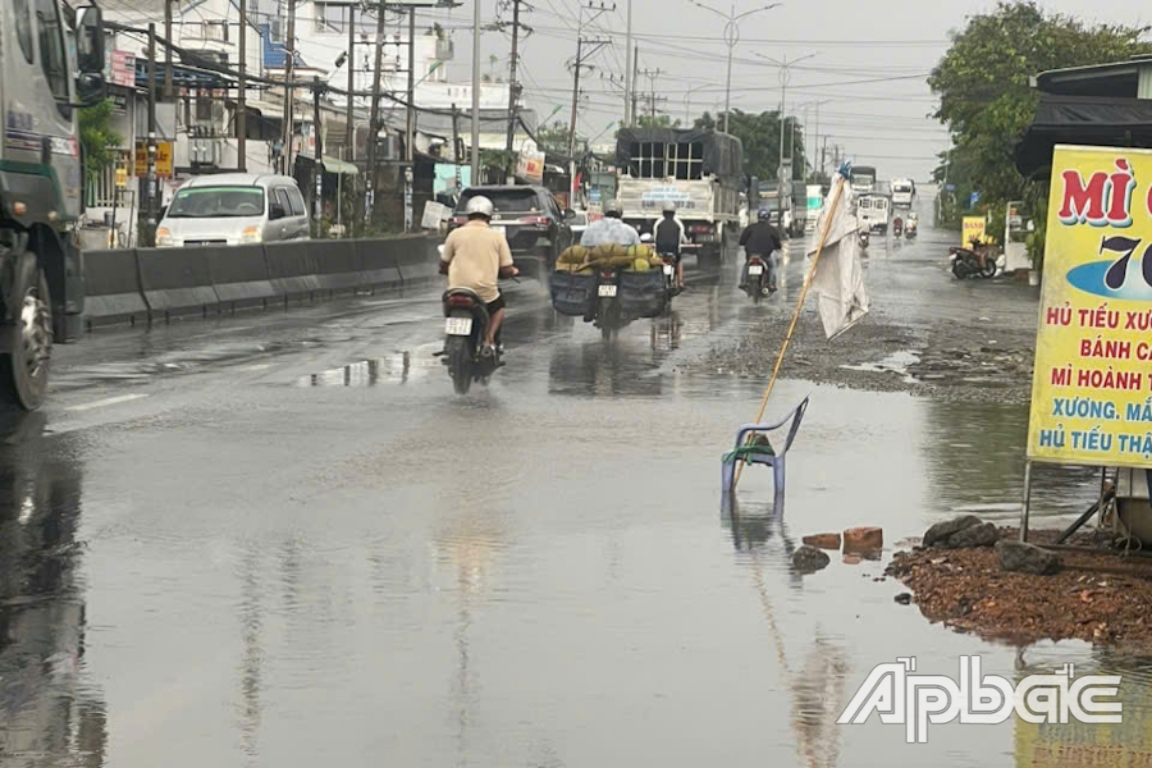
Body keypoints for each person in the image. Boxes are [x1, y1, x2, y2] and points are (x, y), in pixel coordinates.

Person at [439, 196, 519, 355]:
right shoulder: (496, 237)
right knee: (499, 308)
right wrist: (513, 272)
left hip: (456, 290)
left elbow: (444, 263)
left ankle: (449, 338)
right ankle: (488, 340)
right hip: (484, 294)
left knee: (446, 303)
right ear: (489, 217)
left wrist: (446, 271)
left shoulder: (455, 234)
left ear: (468, 215)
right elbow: (506, 268)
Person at [739, 208, 784, 292]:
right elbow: (777, 243)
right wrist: (778, 247)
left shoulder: (750, 227)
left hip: (751, 254)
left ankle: (743, 282)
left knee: (746, 265)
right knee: (772, 266)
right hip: (765, 255)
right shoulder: (772, 229)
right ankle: (771, 284)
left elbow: (742, 241)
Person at [654, 202, 688, 291]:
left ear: (663, 212)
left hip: (659, 251)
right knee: (679, 261)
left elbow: (655, 237)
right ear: (674, 212)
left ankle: (654, 281)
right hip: (674, 252)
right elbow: (681, 238)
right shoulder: (679, 223)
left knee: (654, 264)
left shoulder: (658, 223)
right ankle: (680, 281)